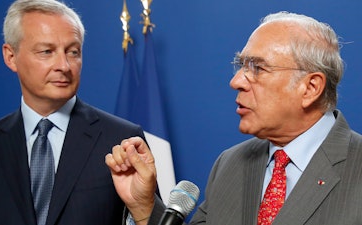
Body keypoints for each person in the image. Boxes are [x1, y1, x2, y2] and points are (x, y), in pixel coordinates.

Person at [105, 11, 362, 225]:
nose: (236, 81)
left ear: (310, 88)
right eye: (241, 66)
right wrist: (144, 206)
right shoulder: (231, 164)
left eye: (258, 68)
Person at [0, 0, 147, 224]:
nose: (64, 65)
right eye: (47, 51)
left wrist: (143, 210)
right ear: (11, 57)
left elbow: (151, 217)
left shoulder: (121, 139)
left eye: (73, 52)